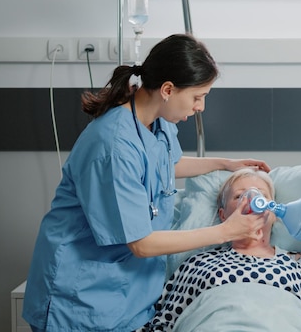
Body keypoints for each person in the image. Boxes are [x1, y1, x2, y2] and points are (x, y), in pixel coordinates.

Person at [22, 34, 272, 332]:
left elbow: (165, 164)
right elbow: (140, 243)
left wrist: (225, 164)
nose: (200, 107)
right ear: (168, 89)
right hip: (80, 298)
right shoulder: (112, 144)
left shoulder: (158, 123)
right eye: (197, 97)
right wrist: (224, 232)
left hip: (130, 296)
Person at [139, 168, 301, 332]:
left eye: (261, 195)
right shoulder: (197, 264)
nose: (251, 199)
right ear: (223, 214)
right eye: (239, 196)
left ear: (275, 213)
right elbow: (165, 322)